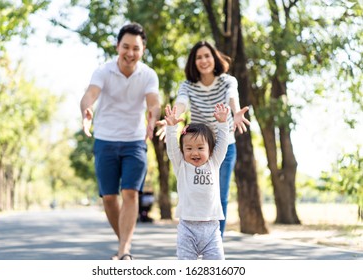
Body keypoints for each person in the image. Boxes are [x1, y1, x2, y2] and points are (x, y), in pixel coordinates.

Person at [80, 23, 160, 260]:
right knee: (109, 197)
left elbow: (154, 103)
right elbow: (89, 95)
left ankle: (124, 250)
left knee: (130, 193)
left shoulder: (148, 75)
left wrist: (152, 117)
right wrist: (86, 110)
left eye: (136, 48)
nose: (130, 53)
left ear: (143, 49)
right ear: (117, 46)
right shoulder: (103, 71)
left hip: (135, 140)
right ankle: (124, 241)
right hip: (105, 139)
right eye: (125, 47)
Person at [156, 41, 250, 237]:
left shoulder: (227, 80)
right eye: (199, 57)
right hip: (199, 148)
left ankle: (216, 241)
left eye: (207, 55)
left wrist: (236, 112)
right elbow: (182, 102)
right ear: (193, 62)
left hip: (225, 145)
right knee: (195, 188)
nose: (203, 60)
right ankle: (192, 234)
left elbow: (232, 96)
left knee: (220, 194)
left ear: (214, 58)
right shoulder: (188, 85)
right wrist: (173, 119)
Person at [165, 103, 230, 260]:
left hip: (212, 228)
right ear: (183, 150)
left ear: (210, 150)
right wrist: (171, 128)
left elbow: (223, 144)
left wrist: (222, 123)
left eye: (200, 148)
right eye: (189, 148)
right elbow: (172, 148)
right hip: (187, 228)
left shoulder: (213, 163)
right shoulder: (181, 166)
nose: (194, 152)